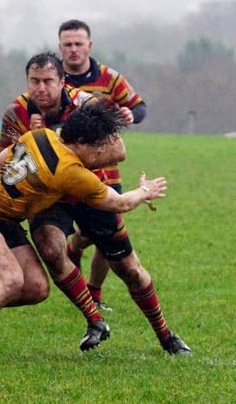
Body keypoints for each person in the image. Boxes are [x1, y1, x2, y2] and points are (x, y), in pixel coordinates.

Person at [0, 64, 167, 365]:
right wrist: (145, 192)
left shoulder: (42, 135)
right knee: (10, 280)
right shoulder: (70, 172)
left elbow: (8, 152)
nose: (100, 157)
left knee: (36, 288)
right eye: (97, 150)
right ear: (84, 144)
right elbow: (120, 203)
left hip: (0, 217)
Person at [58, 19, 149, 312]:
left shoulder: (109, 78)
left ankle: (94, 293)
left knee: (103, 239)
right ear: (60, 47)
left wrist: (130, 114)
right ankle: (74, 250)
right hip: (64, 174)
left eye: (78, 44)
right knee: (83, 234)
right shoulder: (53, 80)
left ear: (89, 45)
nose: (73, 50)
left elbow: (139, 106)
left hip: (106, 173)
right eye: (67, 44)